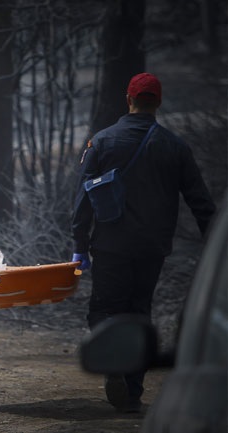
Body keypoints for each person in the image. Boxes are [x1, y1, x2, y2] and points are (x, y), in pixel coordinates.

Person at [71, 72, 215, 413]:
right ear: (158, 102)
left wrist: (79, 244)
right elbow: (201, 203)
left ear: (128, 99)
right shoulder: (175, 146)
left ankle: (114, 366)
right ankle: (132, 393)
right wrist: (215, 252)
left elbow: (83, 200)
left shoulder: (102, 142)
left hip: (109, 246)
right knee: (139, 311)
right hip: (152, 248)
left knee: (105, 309)